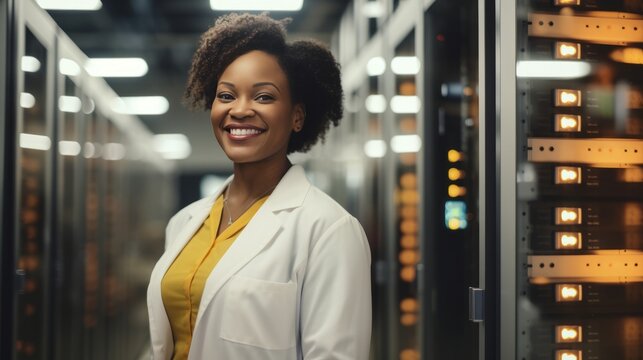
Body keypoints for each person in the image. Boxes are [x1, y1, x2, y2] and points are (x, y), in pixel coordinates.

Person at [146, 13, 372, 360]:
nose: (240, 110)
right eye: (226, 95)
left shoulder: (329, 230)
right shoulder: (184, 223)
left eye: (264, 97)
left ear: (297, 116)